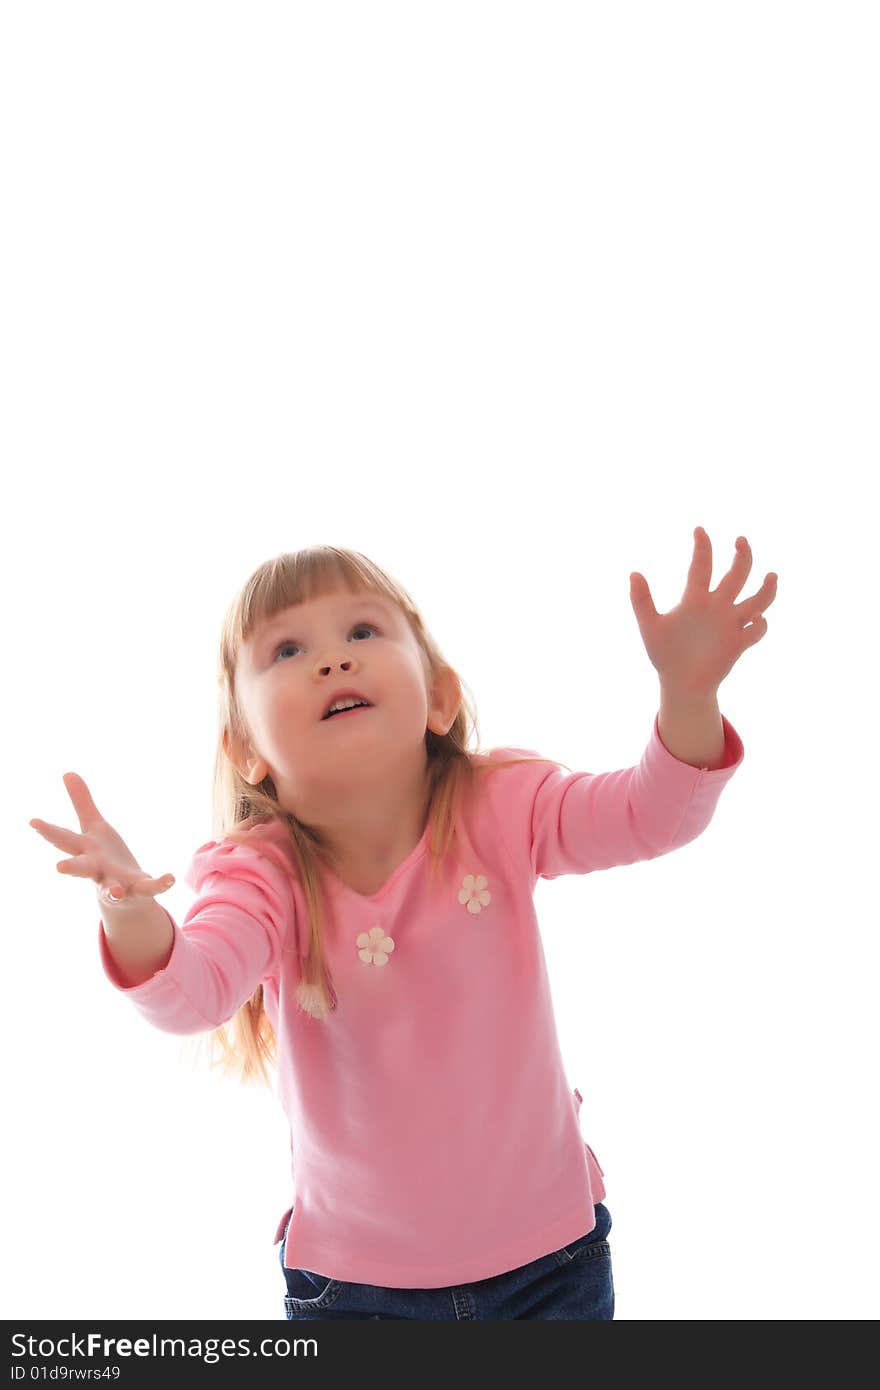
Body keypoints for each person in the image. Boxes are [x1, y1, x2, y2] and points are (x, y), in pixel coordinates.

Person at [29, 532, 777, 1320]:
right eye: (287, 649)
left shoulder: (504, 803)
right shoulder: (259, 875)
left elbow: (650, 816)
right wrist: (129, 910)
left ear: (442, 696)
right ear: (245, 748)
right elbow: (193, 994)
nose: (333, 661)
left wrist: (687, 698)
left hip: (550, 1260)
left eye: (362, 632)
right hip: (354, 1292)